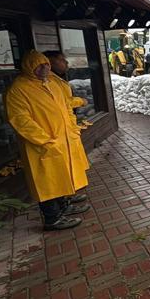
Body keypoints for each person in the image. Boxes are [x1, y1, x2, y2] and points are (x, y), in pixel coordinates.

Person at [4, 50, 90, 230]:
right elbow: (20, 120)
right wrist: (44, 140)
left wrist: (72, 129)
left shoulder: (52, 84)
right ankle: (52, 219)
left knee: (60, 177)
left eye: (46, 64)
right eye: (39, 65)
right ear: (29, 67)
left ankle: (64, 207)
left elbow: (65, 108)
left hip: (62, 140)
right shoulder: (19, 89)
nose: (44, 68)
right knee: (47, 183)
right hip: (41, 145)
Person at [42, 50, 91, 205]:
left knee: (69, 164)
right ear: (51, 62)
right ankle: (64, 199)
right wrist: (81, 101)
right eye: (62, 60)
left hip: (66, 129)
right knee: (62, 166)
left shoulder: (55, 80)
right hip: (57, 133)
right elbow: (64, 103)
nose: (66, 63)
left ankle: (68, 193)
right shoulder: (50, 82)